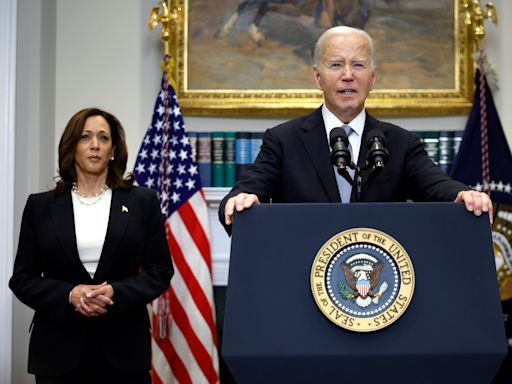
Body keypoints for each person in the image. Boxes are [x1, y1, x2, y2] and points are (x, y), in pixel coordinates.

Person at [219, 26, 492, 234]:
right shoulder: (283, 140)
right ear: (317, 77)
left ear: (372, 79)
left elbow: (438, 186)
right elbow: (245, 191)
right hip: (302, 280)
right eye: (336, 64)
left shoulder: (400, 142)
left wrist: (463, 195)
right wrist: (239, 201)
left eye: (358, 65)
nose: (347, 74)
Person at [9, 108, 173, 384]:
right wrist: (68, 294)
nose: (95, 144)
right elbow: (22, 279)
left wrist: (115, 292)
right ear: (72, 147)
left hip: (124, 349)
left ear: (113, 150)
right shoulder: (40, 206)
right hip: (57, 352)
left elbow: (160, 271)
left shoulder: (142, 202)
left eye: (103, 138)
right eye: (85, 137)